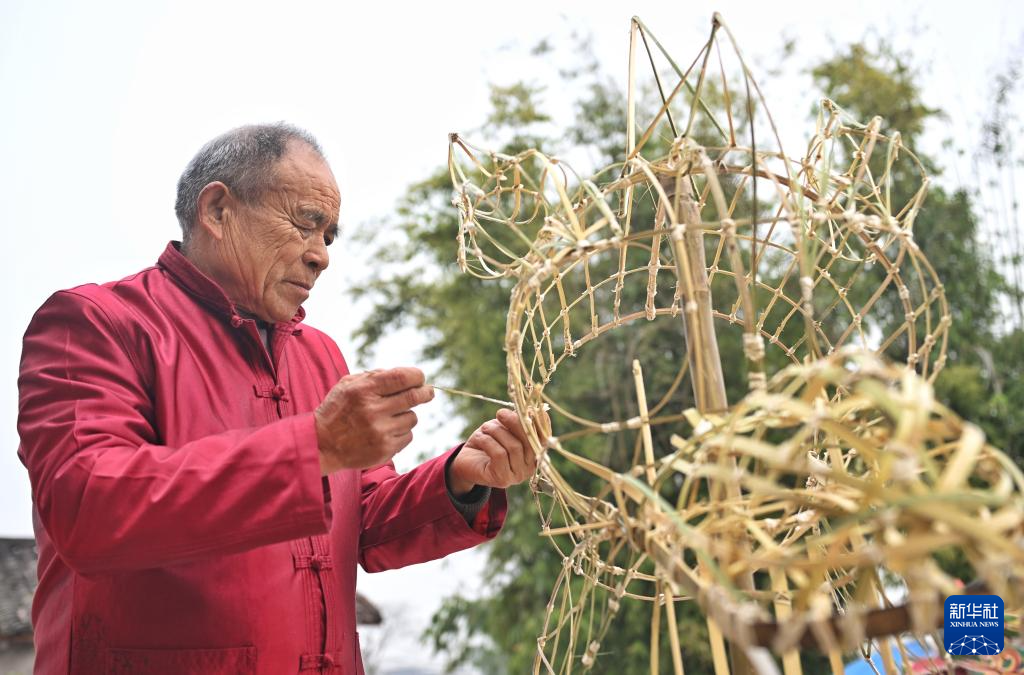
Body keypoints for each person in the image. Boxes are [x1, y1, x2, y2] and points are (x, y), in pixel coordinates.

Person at [17, 123, 541, 675]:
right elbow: (89, 509)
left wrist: (461, 478)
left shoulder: (320, 356)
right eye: (305, 224)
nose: (321, 257)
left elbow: (360, 523)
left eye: (329, 236)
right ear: (218, 210)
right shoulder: (98, 323)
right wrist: (314, 447)